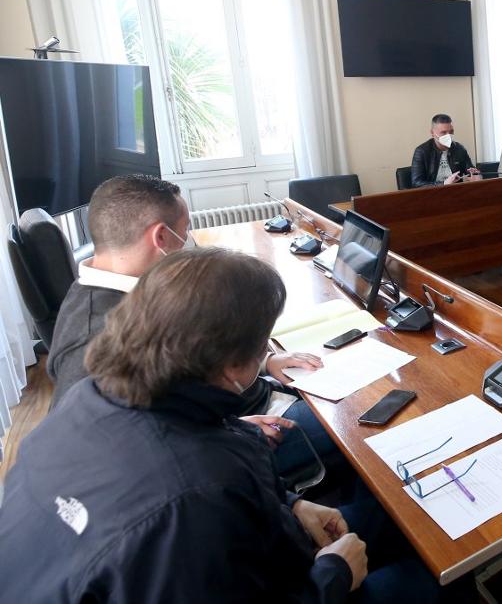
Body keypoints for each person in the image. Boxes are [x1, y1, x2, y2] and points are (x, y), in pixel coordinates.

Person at [0, 248, 447, 603]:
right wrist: (332, 576)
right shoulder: (199, 493)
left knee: (384, 517)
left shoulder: (88, 396)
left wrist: (290, 504)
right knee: (433, 581)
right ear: (236, 362)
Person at [45, 174, 339, 477]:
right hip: (234, 437)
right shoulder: (92, 341)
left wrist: (266, 361)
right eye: (185, 231)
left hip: (240, 404)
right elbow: (110, 456)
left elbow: (189, 351)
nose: (189, 241)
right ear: (160, 238)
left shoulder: (120, 286)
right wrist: (232, 432)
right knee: (348, 416)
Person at [410, 114, 481, 186]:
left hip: (456, 191)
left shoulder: (459, 149)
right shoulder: (422, 151)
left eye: (451, 132)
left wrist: (475, 175)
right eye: (443, 132)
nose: (448, 136)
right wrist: (444, 184)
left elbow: (470, 170)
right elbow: (417, 183)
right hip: (433, 194)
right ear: (432, 133)